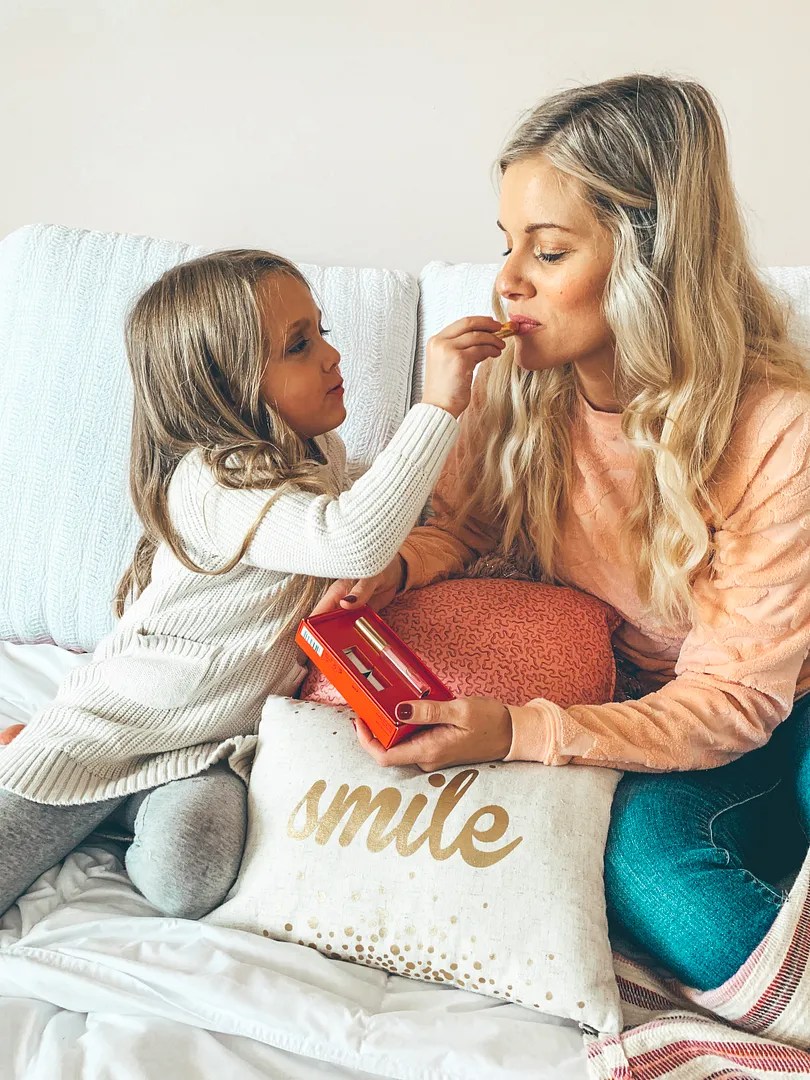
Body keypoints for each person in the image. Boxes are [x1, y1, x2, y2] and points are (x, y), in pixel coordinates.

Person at [314, 74, 810, 991]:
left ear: (651, 259)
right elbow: (461, 527)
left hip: (780, 705)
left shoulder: (777, 427)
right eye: (506, 244)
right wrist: (399, 568)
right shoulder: (516, 386)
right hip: (651, 716)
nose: (507, 280)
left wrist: (520, 732)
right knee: (646, 870)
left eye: (547, 251)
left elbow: (739, 698)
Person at [0, 249, 504, 919]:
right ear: (224, 386)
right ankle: (51, 763)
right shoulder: (211, 481)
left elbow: (370, 520)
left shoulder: (317, 456)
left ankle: (122, 809)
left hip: (208, 745)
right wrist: (438, 407)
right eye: (299, 346)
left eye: (322, 332)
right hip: (116, 724)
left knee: (190, 881)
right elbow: (352, 536)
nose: (332, 356)